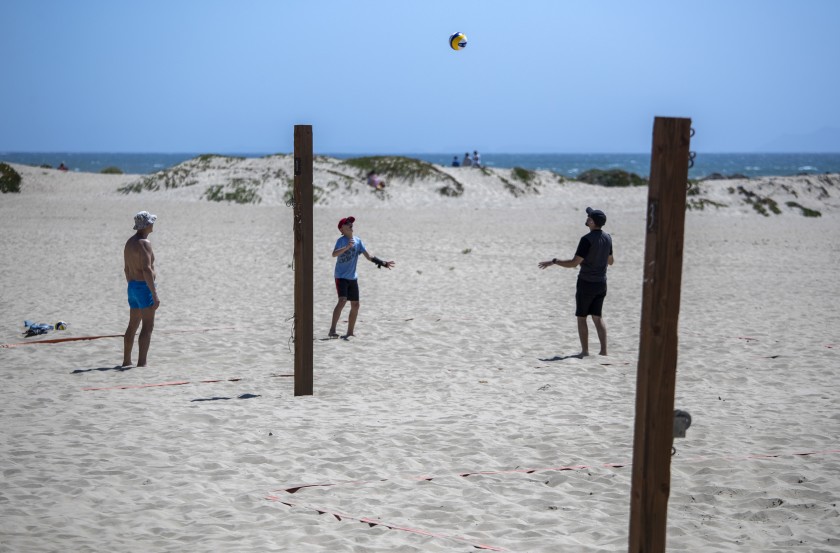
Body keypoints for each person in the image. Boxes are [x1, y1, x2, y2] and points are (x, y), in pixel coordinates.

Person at [538, 207, 614, 356]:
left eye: (589, 217)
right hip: (601, 283)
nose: (586, 218)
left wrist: (554, 261)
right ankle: (604, 351)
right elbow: (611, 261)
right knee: (598, 318)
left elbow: (574, 263)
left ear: (592, 222)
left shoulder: (586, 239)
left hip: (586, 283)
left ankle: (585, 351)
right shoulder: (608, 238)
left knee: (581, 317)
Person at [329, 216, 394, 338]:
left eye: (351, 223)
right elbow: (334, 254)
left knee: (355, 305)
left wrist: (382, 263)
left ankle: (350, 332)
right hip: (341, 276)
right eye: (347, 223)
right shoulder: (340, 241)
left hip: (352, 277)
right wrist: (347, 247)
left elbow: (369, 256)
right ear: (341, 229)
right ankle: (332, 330)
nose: (350, 224)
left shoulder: (358, 241)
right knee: (342, 301)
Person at [122, 210, 160, 367]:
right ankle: (142, 363)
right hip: (143, 287)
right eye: (151, 221)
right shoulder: (144, 243)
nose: (153, 224)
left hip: (132, 286)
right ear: (145, 225)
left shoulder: (129, 243)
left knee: (133, 324)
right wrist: (154, 294)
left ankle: (126, 361)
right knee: (147, 325)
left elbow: (126, 269)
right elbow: (146, 269)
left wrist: (133, 286)